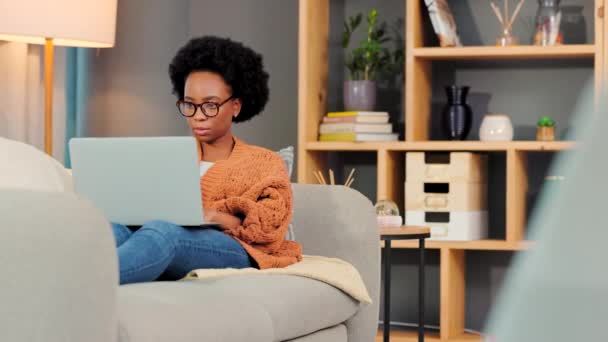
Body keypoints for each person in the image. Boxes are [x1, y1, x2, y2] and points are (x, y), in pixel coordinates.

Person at [111, 36, 302, 284]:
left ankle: (78, 289)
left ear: (235, 106)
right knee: (111, 229)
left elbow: (270, 230)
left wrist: (213, 216)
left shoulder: (264, 162)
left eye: (210, 106)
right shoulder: (169, 157)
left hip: (236, 247)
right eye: (189, 105)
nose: (198, 116)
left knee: (164, 232)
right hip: (163, 236)